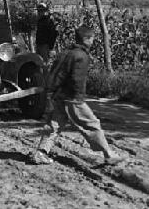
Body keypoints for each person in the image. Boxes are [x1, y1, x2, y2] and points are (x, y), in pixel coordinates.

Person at [30, 26, 126, 165]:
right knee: (92, 124)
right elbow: (77, 79)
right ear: (86, 39)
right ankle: (109, 154)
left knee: (54, 125)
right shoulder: (81, 56)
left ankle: (41, 152)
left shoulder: (64, 53)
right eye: (92, 38)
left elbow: (54, 73)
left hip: (58, 96)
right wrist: (78, 99)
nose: (93, 41)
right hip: (72, 98)